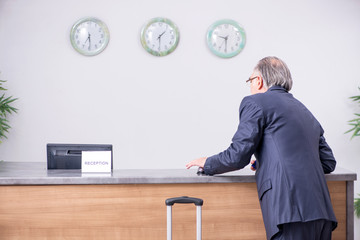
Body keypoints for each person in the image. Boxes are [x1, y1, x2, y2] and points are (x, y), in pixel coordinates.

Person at [186, 56, 337, 240]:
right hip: (322, 213)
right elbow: (328, 163)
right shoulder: (304, 110)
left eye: (249, 80)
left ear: (258, 81)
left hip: (288, 212)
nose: (250, 86)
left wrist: (207, 162)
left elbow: (237, 156)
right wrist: (271, 162)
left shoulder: (255, 102)